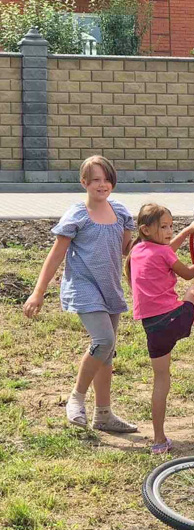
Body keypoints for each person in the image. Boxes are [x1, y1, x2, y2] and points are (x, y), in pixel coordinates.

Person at [23, 156, 137, 433]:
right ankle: (77, 397)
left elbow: (127, 250)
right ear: (84, 182)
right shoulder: (77, 215)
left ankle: (104, 414)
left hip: (110, 287)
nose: (102, 184)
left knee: (107, 353)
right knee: (103, 340)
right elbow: (56, 254)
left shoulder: (120, 212)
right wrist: (38, 292)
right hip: (84, 286)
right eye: (96, 179)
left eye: (107, 179)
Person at [126, 204, 194, 454]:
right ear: (145, 229)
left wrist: (184, 233)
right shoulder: (164, 254)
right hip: (172, 319)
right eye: (164, 227)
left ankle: (159, 440)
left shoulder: (137, 251)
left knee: (161, 379)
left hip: (152, 328)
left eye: (171, 226)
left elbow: (165, 251)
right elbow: (189, 272)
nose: (169, 230)